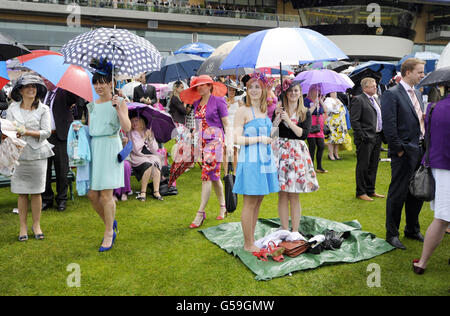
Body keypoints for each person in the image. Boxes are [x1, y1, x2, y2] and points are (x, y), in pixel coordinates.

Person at [381, 58, 426, 250]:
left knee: (416, 193)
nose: (422, 75)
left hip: (420, 150)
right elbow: (389, 125)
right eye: (420, 72)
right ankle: (392, 234)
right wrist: (398, 149)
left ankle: (412, 229)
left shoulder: (416, 92)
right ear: (408, 72)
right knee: (398, 194)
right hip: (404, 152)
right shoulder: (392, 94)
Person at [87, 59, 131, 252]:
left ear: (111, 83)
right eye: (96, 82)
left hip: (111, 148)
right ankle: (110, 223)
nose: (99, 86)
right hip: (95, 148)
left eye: (102, 82)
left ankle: (107, 234)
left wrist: (117, 109)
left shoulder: (120, 102)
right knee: (92, 195)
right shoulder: (91, 105)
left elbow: (127, 127)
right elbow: (92, 127)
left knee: (106, 195)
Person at [232, 72, 279, 253]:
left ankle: (251, 238)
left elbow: (270, 135)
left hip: (265, 160)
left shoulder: (264, 111)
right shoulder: (242, 110)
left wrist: (276, 122)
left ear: (264, 90)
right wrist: (259, 138)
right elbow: (236, 137)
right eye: (250, 87)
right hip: (250, 160)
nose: (253, 90)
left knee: (259, 199)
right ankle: (247, 243)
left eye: (257, 86)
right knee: (250, 202)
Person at [6, 74, 54, 242]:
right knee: (21, 192)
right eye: (27, 86)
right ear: (20, 90)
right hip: (19, 155)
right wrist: (11, 132)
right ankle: (22, 227)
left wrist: (26, 132)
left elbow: (46, 132)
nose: (31, 89)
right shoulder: (12, 108)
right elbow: (8, 129)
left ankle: (36, 225)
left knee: (36, 192)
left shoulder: (44, 109)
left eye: (34, 86)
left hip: (38, 154)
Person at [179, 75, 231, 227]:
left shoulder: (219, 101)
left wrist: (229, 142)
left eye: (203, 85)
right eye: (197, 86)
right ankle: (223, 206)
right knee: (214, 176)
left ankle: (200, 213)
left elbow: (226, 124)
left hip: (215, 142)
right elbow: (198, 125)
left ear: (210, 86)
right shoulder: (196, 103)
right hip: (202, 142)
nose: (200, 88)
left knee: (206, 176)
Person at [272, 79, 318, 233]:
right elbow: (272, 135)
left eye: (296, 91)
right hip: (281, 153)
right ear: (285, 93)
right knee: (282, 194)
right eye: (290, 91)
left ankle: (295, 231)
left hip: (296, 153)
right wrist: (277, 120)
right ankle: (285, 228)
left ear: (300, 93)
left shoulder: (305, 112)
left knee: (294, 194)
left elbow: (302, 134)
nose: (293, 93)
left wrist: (289, 121)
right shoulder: (278, 110)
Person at [412, 88, 450, 274]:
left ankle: (423, 263)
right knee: (442, 218)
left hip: (437, 164)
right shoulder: (437, 108)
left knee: (443, 217)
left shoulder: (434, 107)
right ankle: (422, 263)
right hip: (445, 166)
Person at [41, 79, 79, 212]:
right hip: (44, 136)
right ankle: (46, 199)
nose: (44, 81)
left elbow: (75, 97)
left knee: (61, 170)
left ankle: (62, 199)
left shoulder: (64, 92)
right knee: (44, 169)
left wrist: (66, 84)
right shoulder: (43, 93)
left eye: (46, 79)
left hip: (60, 136)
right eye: (43, 78)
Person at [350, 78, 385, 201]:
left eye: (375, 86)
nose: (375, 88)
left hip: (377, 136)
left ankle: (371, 190)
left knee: (373, 165)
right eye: (372, 86)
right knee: (363, 165)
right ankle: (361, 191)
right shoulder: (359, 100)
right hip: (366, 138)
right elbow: (354, 120)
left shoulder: (375, 99)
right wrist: (362, 135)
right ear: (365, 88)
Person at [128, 114, 163, 201]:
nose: (134, 123)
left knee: (156, 161)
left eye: (136, 120)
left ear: (141, 121)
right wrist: (144, 138)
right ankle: (143, 192)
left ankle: (156, 191)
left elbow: (154, 150)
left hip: (149, 155)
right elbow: (136, 149)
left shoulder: (148, 131)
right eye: (132, 121)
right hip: (136, 156)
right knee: (149, 164)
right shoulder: (131, 133)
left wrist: (150, 138)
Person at [304, 85, 327, 173]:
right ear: (311, 91)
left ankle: (319, 166)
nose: (318, 92)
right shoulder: (306, 101)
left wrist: (320, 101)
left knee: (321, 146)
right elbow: (307, 112)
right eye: (316, 90)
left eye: (319, 90)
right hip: (310, 125)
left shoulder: (319, 100)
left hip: (319, 126)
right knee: (312, 146)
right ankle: (311, 166)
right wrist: (314, 105)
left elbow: (325, 110)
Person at [223, 79, 244, 175]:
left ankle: (235, 173)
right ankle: (226, 173)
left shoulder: (238, 102)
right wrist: (225, 108)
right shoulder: (224, 102)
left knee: (235, 150)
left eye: (233, 90)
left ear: (235, 92)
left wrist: (241, 107)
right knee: (226, 150)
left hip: (235, 128)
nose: (231, 92)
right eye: (230, 90)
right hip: (227, 128)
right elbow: (221, 116)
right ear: (227, 91)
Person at [324, 92, 349, 161]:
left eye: (335, 92)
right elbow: (328, 110)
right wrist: (334, 106)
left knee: (337, 139)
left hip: (339, 121)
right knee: (331, 139)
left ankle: (336, 154)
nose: (334, 93)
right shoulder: (327, 100)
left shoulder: (338, 100)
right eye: (332, 92)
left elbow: (344, 110)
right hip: (332, 122)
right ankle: (331, 154)